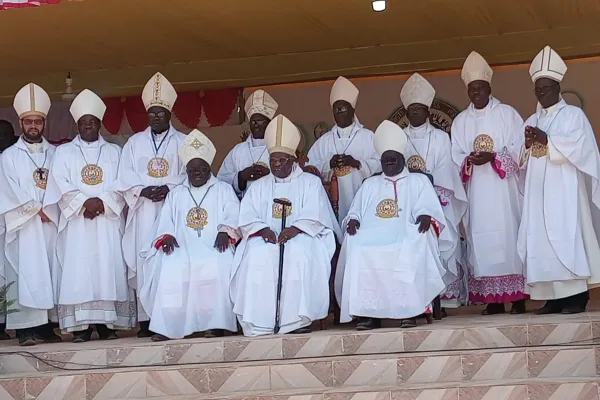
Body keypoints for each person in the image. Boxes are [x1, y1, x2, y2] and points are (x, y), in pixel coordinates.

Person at [230, 114, 341, 336]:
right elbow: (247, 215)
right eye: (273, 160)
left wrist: (294, 229)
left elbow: (316, 215)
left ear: (292, 160)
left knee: (298, 252)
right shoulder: (259, 186)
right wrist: (263, 230)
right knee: (255, 254)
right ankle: (260, 320)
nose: (276, 165)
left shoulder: (310, 183)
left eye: (281, 160)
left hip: (304, 236)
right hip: (266, 237)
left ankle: (298, 319)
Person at [336, 120, 450, 329]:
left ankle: (410, 310)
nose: (388, 162)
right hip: (373, 235)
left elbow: (429, 207)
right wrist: (353, 220)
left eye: (393, 158)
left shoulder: (419, 181)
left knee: (412, 243)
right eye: (385, 159)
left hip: (406, 232)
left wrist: (425, 216)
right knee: (357, 246)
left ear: (402, 159)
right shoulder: (370, 183)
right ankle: (368, 313)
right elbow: (355, 210)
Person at [43, 89, 136, 342]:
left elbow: (122, 182)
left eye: (92, 122)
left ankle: (107, 325)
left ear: (99, 123)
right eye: (83, 122)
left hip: (107, 221)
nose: (87, 126)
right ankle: (81, 327)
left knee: (108, 267)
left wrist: (102, 203)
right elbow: (59, 182)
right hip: (77, 223)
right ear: (77, 124)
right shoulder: (64, 153)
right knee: (79, 270)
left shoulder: (115, 152)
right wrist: (83, 203)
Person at [518, 46, 600, 314]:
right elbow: (522, 160)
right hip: (537, 192)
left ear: (557, 87)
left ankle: (577, 297)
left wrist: (548, 141)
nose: (541, 93)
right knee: (541, 241)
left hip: (564, 190)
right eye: (537, 90)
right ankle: (551, 297)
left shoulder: (573, 115)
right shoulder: (531, 119)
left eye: (546, 88)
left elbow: (581, 149)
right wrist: (526, 146)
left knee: (566, 237)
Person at [140, 129, 240, 341]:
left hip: (214, 246)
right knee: (170, 264)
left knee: (220, 262)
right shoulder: (176, 194)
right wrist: (167, 235)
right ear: (186, 169)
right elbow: (165, 219)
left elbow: (233, 213)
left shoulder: (223, 189)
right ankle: (169, 325)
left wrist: (225, 230)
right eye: (192, 169)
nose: (197, 173)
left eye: (201, 169)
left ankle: (215, 324)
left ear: (209, 168)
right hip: (182, 246)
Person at [451, 52, 527, 315]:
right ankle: (492, 301)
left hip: (505, 192)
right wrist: (469, 160)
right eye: (472, 89)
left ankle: (517, 299)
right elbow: (455, 155)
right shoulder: (461, 121)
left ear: (489, 87)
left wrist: (494, 157)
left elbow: (520, 149)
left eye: (480, 88)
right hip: (477, 193)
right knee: (481, 240)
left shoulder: (507, 114)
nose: (476, 93)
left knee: (509, 238)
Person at [117, 72, 187, 337]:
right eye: (152, 113)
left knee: (170, 263)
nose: (156, 117)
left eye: (161, 113)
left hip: (172, 210)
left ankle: (170, 318)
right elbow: (124, 176)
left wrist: (169, 187)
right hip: (143, 211)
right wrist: (142, 190)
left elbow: (192, 173)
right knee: (145, 262)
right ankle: (146, 321)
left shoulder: (183, 142)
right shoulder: (134, 143)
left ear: (170, 113)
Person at [0, 83, 62, 346]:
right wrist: (37, 209)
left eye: (37, 121)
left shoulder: (56, 153)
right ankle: (25, 328)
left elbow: (63, 183)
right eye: (28, 121)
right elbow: (8, 190)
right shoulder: (9, 157)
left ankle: (46, 325)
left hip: (51, 223)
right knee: (25, 271)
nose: (33, 126)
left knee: (50, 270)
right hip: (24, 225)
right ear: (21, 123)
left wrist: (50, 210)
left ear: (44, 123)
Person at [400, 73, 468, 309]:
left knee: (442, 246)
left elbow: (446, 169)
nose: (415, 113)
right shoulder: (399, 138)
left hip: (438, 202)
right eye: (411, 109)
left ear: (428, 112)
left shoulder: (440, 137)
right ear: (406, 112)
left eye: (419, 109)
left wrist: (427, 182)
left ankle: (446, 299)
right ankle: (418, 299)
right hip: (409, 205)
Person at [307, 77, 380, 223]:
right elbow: (309, 169)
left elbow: (381, 164)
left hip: (362, 200)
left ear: (353, 110)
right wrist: (329, 164)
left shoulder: (368, 137)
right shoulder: (324, 141)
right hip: (331, 204)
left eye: (343, 107)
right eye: (336, 108)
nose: (339, 111)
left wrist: (357, 164)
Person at [217, 90, 277, 197]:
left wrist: (270, 175)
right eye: (253, 122)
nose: (256, 125)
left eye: (260, 121)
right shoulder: (238, 151)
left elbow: (291, 180)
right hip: (245, 205)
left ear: (269, 123)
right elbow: (221, 182)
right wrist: (241, 177)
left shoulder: (279, 147)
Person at [0, 120, 17, 340]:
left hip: (14, 222)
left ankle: (7, 321)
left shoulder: (14, 159)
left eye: (5, 134)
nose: (1, 139)